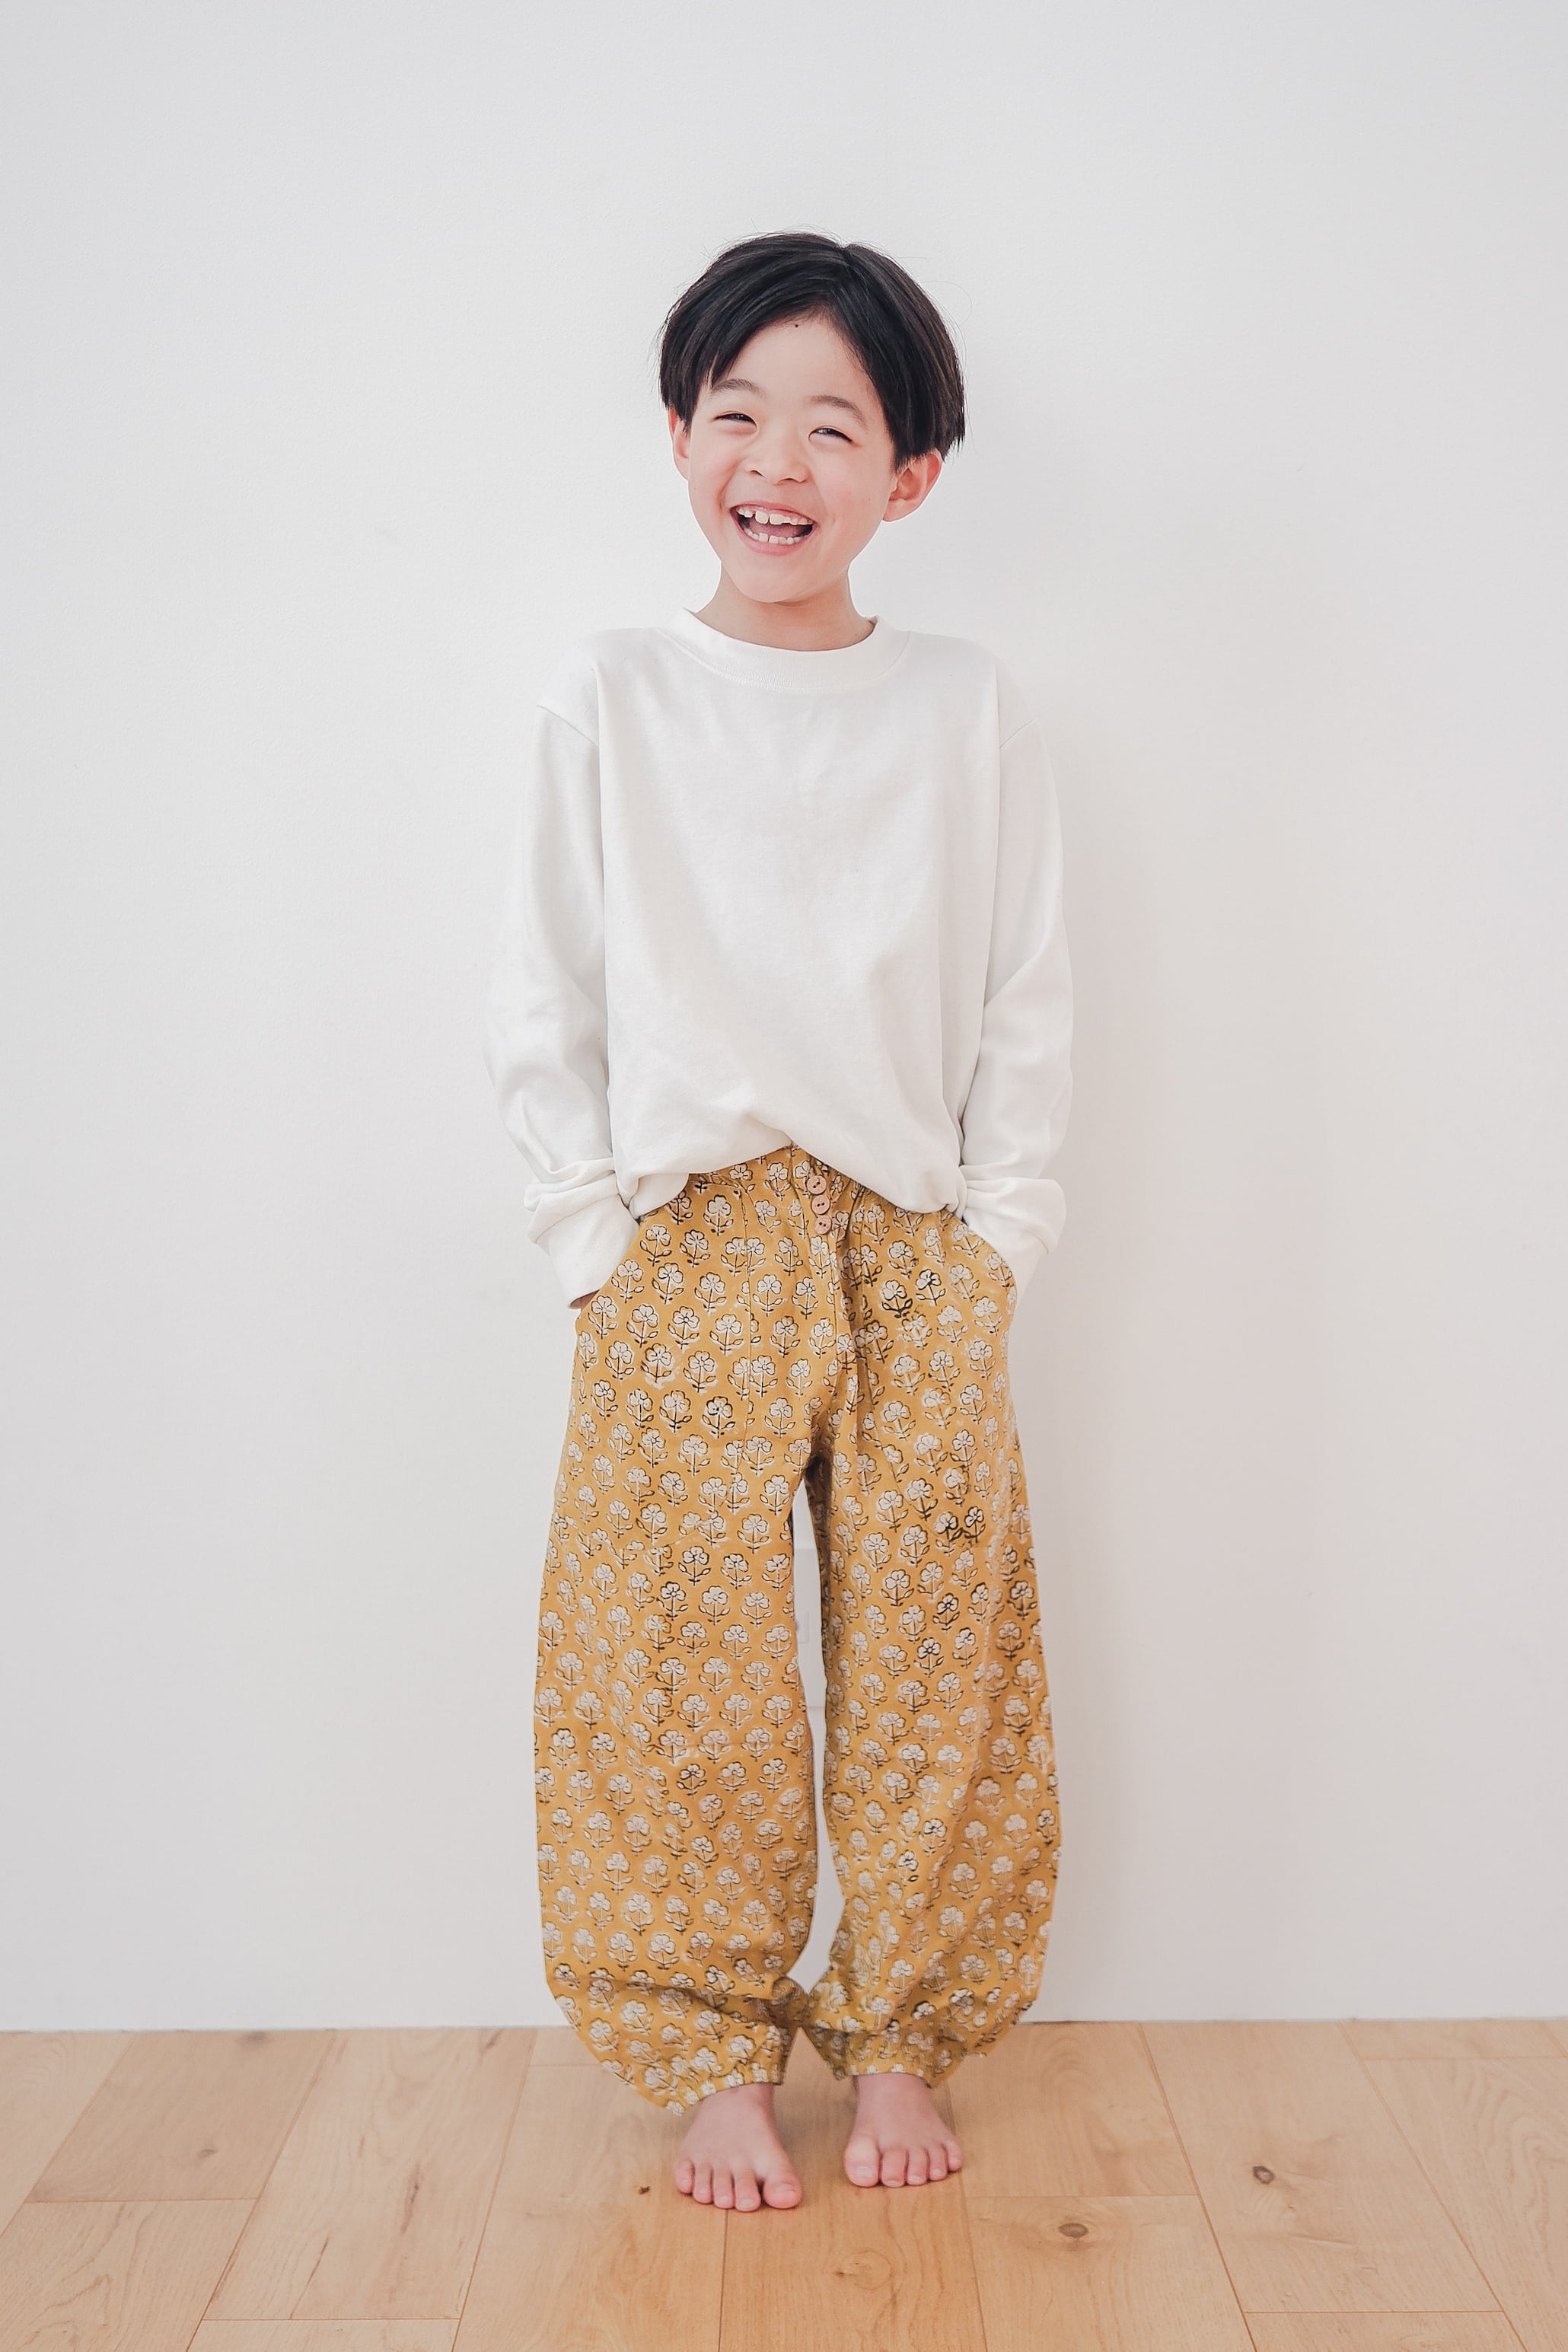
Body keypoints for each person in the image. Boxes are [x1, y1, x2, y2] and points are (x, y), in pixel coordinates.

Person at [483, 230, 1072, 2212]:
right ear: (678, 436)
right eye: (737, 413)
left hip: (914, 1230)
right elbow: (545, 986)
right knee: (675, 1661)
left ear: (911, 472)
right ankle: (710, 2055)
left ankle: (903, 2031)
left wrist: (1000, 1236)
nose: (777, 462)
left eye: (834, 426)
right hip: (688, 1234)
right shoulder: (615, 690)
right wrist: (589, 1236)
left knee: (934, 1654)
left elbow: (1025, 985)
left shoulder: (963, 704)